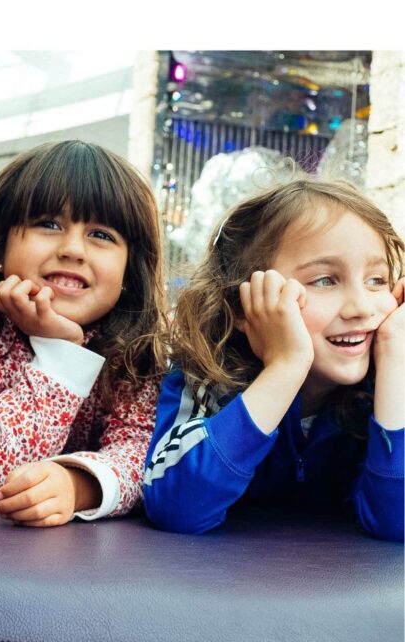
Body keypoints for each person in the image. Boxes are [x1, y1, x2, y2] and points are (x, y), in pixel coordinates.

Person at [144, 177, 404, 541]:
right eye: (325, 280)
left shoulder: (389, 385)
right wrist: (285, 368)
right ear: (242, 305)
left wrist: (395, 359)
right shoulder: (205, 374)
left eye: (377, 280)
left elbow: (397, 523)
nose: (362, 308)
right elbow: (177, 507)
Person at [0, 140, 166, 526]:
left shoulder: (138, 353)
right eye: (49, 224)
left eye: (102, 235)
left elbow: (144, 455)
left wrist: (77, 485)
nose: (73, 249)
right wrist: (62, 353)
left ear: (129, 273)